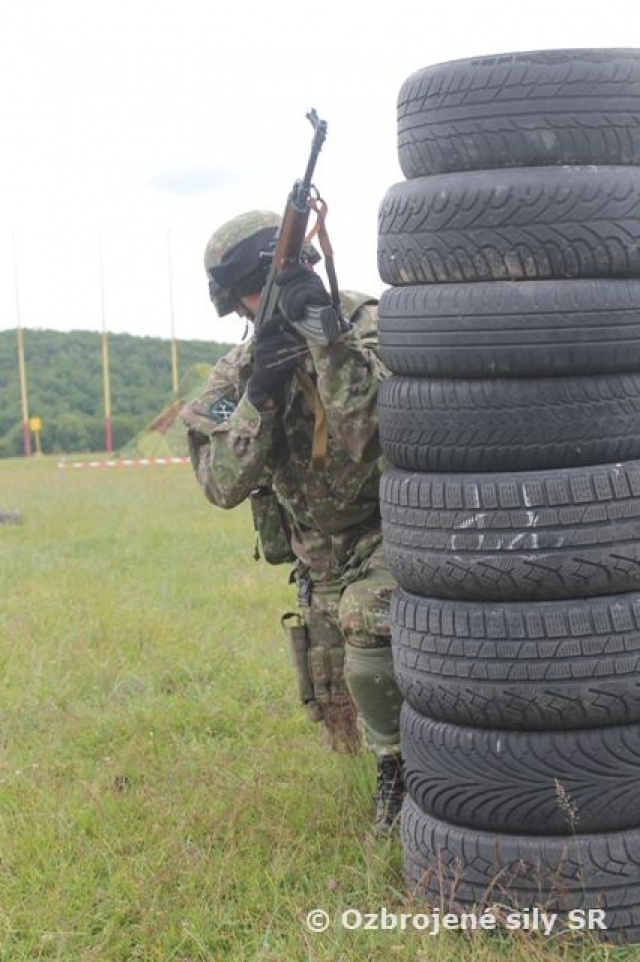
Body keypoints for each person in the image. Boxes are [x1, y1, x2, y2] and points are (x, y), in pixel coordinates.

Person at [181, 210, 405, 830]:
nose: (259, 304)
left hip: (394, 534)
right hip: (320, 559)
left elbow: (372, 433)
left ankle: (400, 773)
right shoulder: (241, 367)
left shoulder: (367, 325)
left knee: (368, 618)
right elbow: (221, 483)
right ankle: (392, 753)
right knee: (342, 716)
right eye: (252, 295)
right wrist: (260, 392)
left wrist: (327, 341)